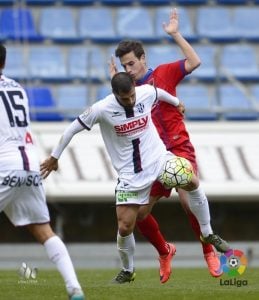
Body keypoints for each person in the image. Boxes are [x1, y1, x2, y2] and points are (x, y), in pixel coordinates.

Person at [40, 72, 229, 285]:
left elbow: (160, 93)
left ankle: (208, 233)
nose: (130, 101)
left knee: (191, 180)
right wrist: (54, 157)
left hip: (158, 160)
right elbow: (71, 130)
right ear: (115, 94)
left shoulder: (144, 93)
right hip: (130, 175)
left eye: (131, 96)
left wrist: (178, 103)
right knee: (125, 226)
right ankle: (128, 270)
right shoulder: (101, 108)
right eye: (124, 98)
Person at [109, 8, 224, 282]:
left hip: (178, 148)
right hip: (152, 157)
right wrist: (113, 84)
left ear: (142, 59)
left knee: (188, 199)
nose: (128, 70)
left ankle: (208, 250)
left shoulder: (164, 74)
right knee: (140, 212)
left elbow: (194, 61)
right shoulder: (128, 93)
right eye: (124, 66)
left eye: (131, 64)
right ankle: (164, 251)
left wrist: (175, 34)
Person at [0, 44, 85, 300]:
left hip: (5, 163)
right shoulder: (18, 89)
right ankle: (75, 290)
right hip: (30, 163)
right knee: (43, 230)